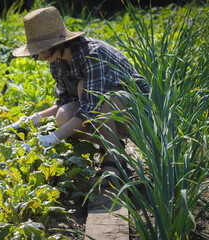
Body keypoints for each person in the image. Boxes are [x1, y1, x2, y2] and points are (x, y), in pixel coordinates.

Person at [8, 6, 148, 186]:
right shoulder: (57, 61)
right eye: (37, 48)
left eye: (44, 46)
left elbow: (91, 108)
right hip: (104, 112)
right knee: (63, 116)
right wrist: (32, 119)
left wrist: (50, 139)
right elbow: (65, 102)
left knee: (95, 95)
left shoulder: (92, 54)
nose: (40, 52)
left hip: (136, 114)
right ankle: (113, 146)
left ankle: (115, 160)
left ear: (59, 41)